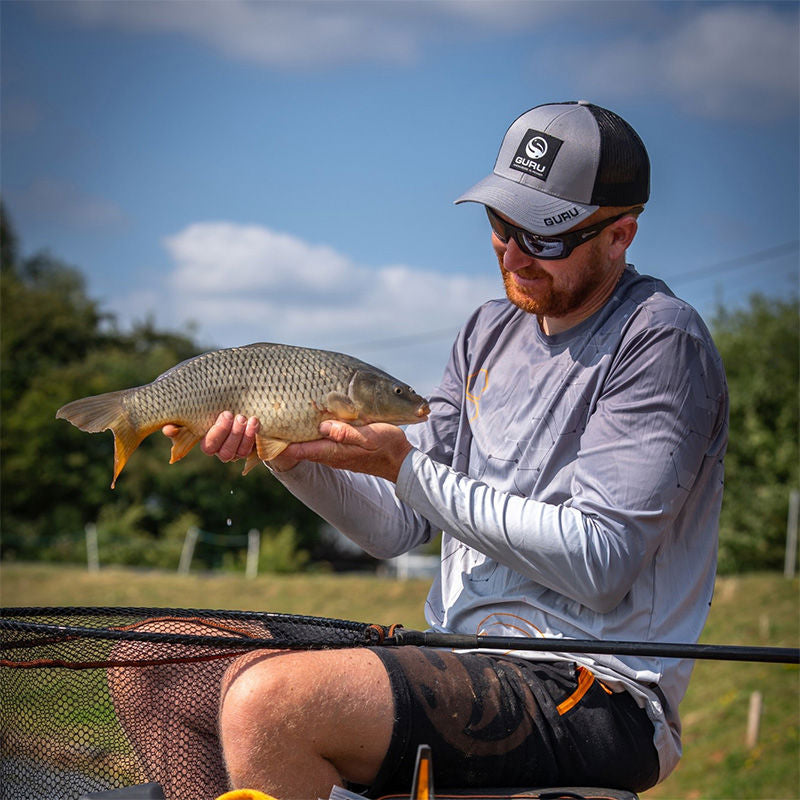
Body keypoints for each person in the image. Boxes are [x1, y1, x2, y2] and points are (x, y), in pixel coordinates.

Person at [164, 101, 729, 799]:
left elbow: (601, 564)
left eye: (543, 237)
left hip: (598, 695)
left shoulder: (658, 339)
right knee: (154, 661)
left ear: (620, 235)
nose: (512, 253)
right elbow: (397, 526)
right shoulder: (485, 333)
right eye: (499, 224)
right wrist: (292, 454)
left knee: (272, 705)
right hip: (453, 657)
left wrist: (404, 466)